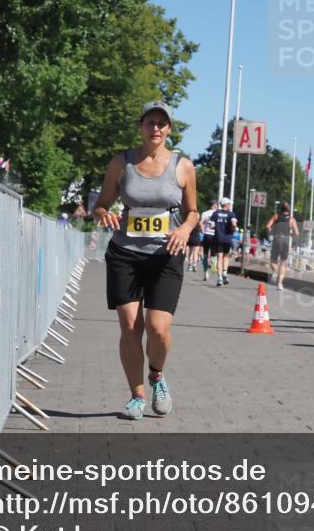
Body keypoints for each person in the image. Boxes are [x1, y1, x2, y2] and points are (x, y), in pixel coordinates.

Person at [93, 100, 198, 420]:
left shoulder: (183, 166)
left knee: (158, 329)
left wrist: (184, 229)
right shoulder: (120, 163)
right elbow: (101, 204)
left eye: (161, 123)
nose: (155, 128)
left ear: (169, 129)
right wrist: (104, 213)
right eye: (149, 122)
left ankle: (157, 374)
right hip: (125, 253)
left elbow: (194, 211)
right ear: (141, 126)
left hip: (165, 256)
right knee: (129, 327)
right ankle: (137, 396)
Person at [266, 202, 299, 291]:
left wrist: (271, 231)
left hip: (277, 239)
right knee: (283, 263)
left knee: (273, 261)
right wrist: (290, 233)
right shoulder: (292, 220)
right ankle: (280, 284)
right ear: (289, 210)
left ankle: (275, 271)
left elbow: (268, 226)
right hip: (286, 240)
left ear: (281, 208)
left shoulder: (276, 216)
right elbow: (296, 233)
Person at [209, 197, 238, 286]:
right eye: (229, 204)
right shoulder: (231, 214)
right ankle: (225, 273)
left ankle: (220, 278)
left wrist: (218, 226)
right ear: (226, 204)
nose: (230, 205)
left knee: (219, 258)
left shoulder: (216, 213)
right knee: (226, 256)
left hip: (218, 238)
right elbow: (233, 224)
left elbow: (211, 226)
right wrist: (234, 228)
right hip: (227, 239)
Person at [199, 201, 218, 281]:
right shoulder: (218, 213)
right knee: (214, 253)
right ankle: (214, 266)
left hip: (206, 235)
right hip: (215, 235)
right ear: (215, 206)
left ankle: (206, 272)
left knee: (205, 254)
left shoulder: (205, 213)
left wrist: (203, 231)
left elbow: (200, 223)